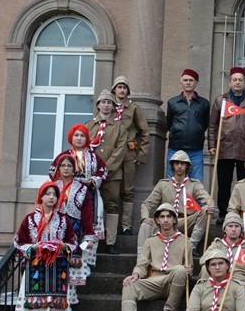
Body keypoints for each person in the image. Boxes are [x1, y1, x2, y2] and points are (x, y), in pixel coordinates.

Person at [13, 182, 77, 311]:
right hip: (35, 268)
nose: (51, 197)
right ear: (40, 197)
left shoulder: (64, 220)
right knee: (32, 310)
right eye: (47, 194)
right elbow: (18, 243)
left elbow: (72, 242)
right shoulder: (30, 219)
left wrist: (63, 247)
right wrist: (34, 247)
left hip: (58, 270)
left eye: (54, 194)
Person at [118, 203, 190, 311]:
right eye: (162, 217)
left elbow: (188, 268)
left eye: (169, 216)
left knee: (181, 270)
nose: (165, 220)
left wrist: (188, 270)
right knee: (128, 285)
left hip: (173, 281)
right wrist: (136, 274)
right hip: (154, 280)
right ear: (157, 220)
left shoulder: (185, 241)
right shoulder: (150, 241)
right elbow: (142, 264)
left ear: (175, 219)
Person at [137, 150, 214, 251]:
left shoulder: (194, 184)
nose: (179, 166)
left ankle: (191, 246)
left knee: (205, 210)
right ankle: (141, 260)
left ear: (187, 166)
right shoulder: (163, 184)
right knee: (145, 225)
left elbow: (208, 200)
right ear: (172, 165)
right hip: (166, 219)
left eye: (182, 163)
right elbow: (147, 204)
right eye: (176, 163)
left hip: (186, 221)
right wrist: (145, 217)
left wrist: (210, 206)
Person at [107, 75, 150, 237]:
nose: (122, 90)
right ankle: (109, 226)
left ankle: (126, 226)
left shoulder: (133, 109)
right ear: (114, 90)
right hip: (111, 156)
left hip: (128, 154)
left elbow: (144, 132)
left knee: (128, 190)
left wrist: (142, 154)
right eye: (119, 87)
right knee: (111, 190)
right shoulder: (108, 107)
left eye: (125, 87)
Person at [49, 151, 97, 291]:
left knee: (71, 267)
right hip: (54, 230)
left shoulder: (82, 189)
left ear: (74, 168)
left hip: (75, 231)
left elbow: (87, 215)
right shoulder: (51, 188)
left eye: (69, 165)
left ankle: (67, 301)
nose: (66, 168)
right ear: (58, 168)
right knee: (53, 265)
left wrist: (88, 236)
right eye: (63, 165)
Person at [208, 67, 245, 198]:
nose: (237, 82)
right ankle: (223, 214)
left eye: (240, 80)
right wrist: (212, 145)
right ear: (229, 82)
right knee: (224, 183)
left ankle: (242, 213)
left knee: (244, 183)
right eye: (234, 80)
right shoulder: (221, 100)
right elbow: (213, 124)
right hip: (224, 147)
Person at [89, 89, 129, 254]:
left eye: (109, 102)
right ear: (98, 105)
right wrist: (92, 170)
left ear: (113, 106)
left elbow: (120, 150)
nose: (106, 105)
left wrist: (105, 170)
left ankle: (110, 242)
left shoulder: (119, 127)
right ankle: (92, 241)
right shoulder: (89, 125)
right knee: (90, 207)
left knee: (111, 206)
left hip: (112, 175)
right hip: (90, 175)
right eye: (103, 102)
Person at [164, 68, 210, 180]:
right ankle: (173, 199)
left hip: (196, 149)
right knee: (172, 180)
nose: (188, 82)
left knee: (197, 181)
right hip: (175, 147)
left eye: (191, 80)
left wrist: (196, 132)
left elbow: (205, 124)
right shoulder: (172, 102)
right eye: (185, 80)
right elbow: (169, 123)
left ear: (196, 83)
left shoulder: (204, 103)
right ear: (181, 82)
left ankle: (193, 199)